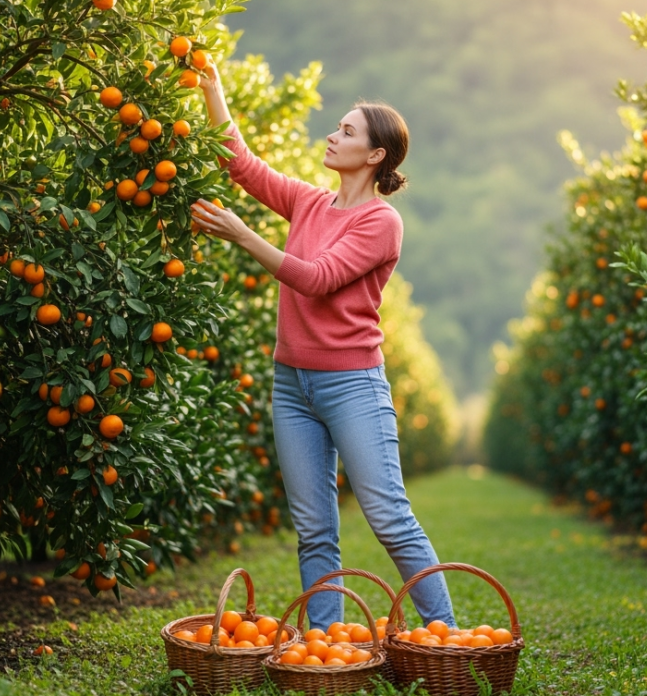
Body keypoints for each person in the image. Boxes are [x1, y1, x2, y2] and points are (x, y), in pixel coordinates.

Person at [190, 62, 455, 630]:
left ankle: (445, 635)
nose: (333, 137)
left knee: (387, 515)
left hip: (351, 385)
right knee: (313, 529)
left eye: (347, 132)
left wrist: (243, 234)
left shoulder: (382, 222)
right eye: (337, 128)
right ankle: (326, 646)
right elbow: (242, 165)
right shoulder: (310, 203)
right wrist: (214, 91)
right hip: (292, 384)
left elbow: (316, 277)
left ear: (376, 155)